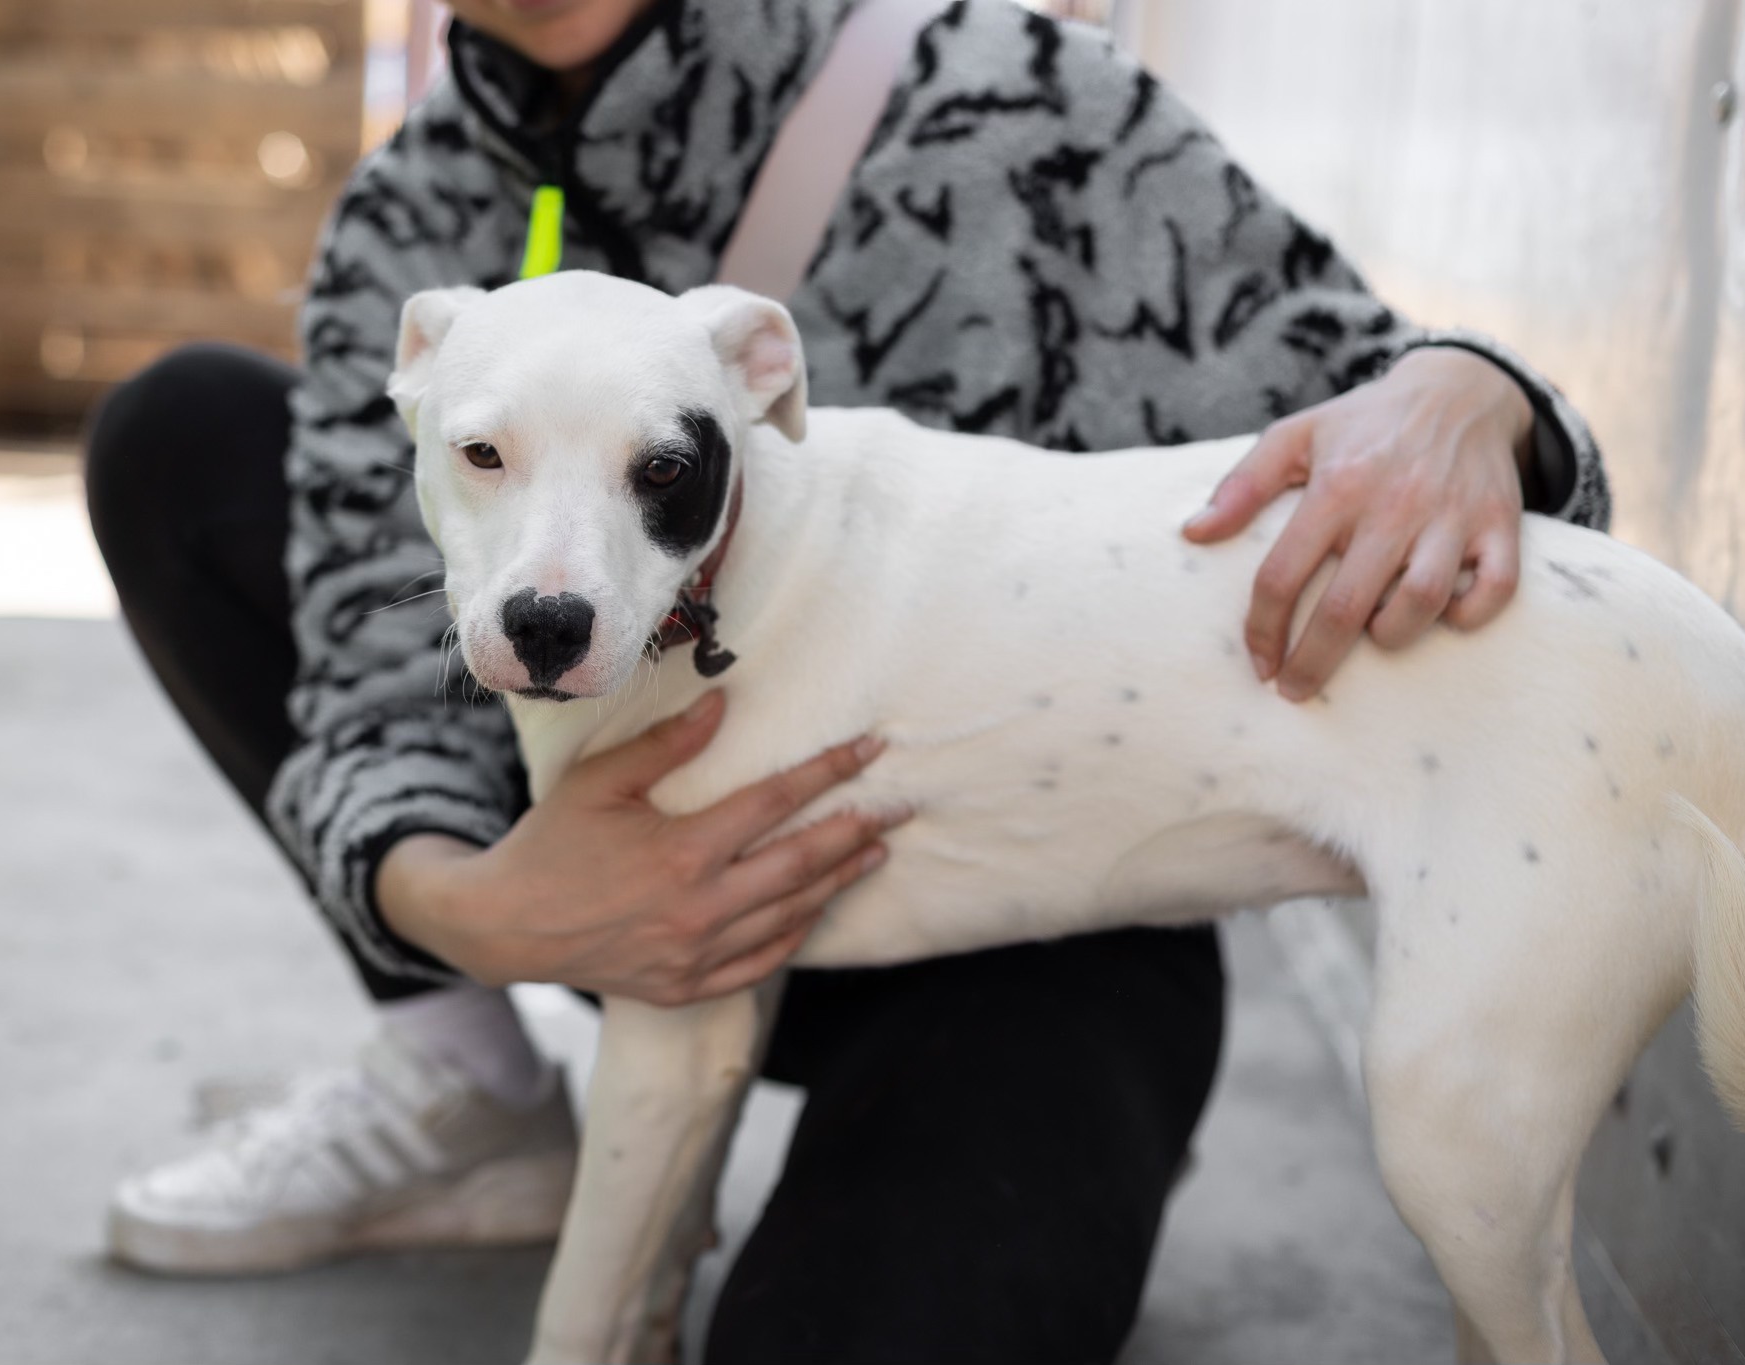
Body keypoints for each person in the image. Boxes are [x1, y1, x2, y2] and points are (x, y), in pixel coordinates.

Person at [83, 0, 1609, 1359]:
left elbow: (1362, 415)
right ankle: (468, 1077)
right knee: (182, 432)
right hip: (590, 867)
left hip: (1047, 915)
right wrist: (471, 907)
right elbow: (369, 669)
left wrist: (1479, 398)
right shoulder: (412, 223)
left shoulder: (1003, 89)